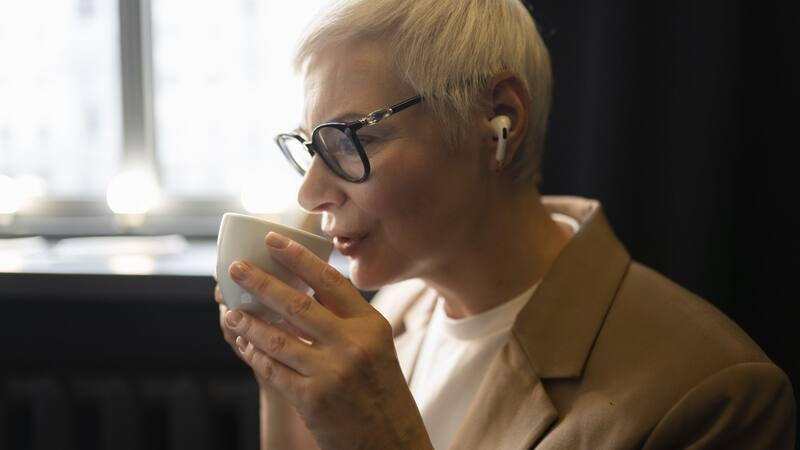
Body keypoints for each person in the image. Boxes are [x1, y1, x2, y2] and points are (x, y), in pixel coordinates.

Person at [213, 0, 796, 448]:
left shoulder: (712, 393)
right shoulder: (388, 312)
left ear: (500, 122)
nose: (311, 192)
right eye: (310, 145)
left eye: (354, 138)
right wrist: (282, 373)